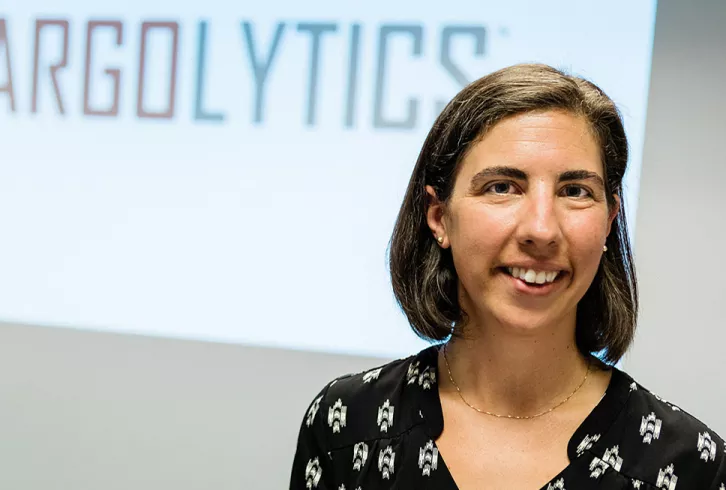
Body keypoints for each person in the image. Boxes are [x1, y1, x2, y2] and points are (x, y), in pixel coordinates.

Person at [289, 64, 725, 489]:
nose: (541, 229)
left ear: (609, 221)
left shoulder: (690, 465)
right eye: (502, 187)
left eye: (575, 191)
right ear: (439, 217)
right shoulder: (345, 424)